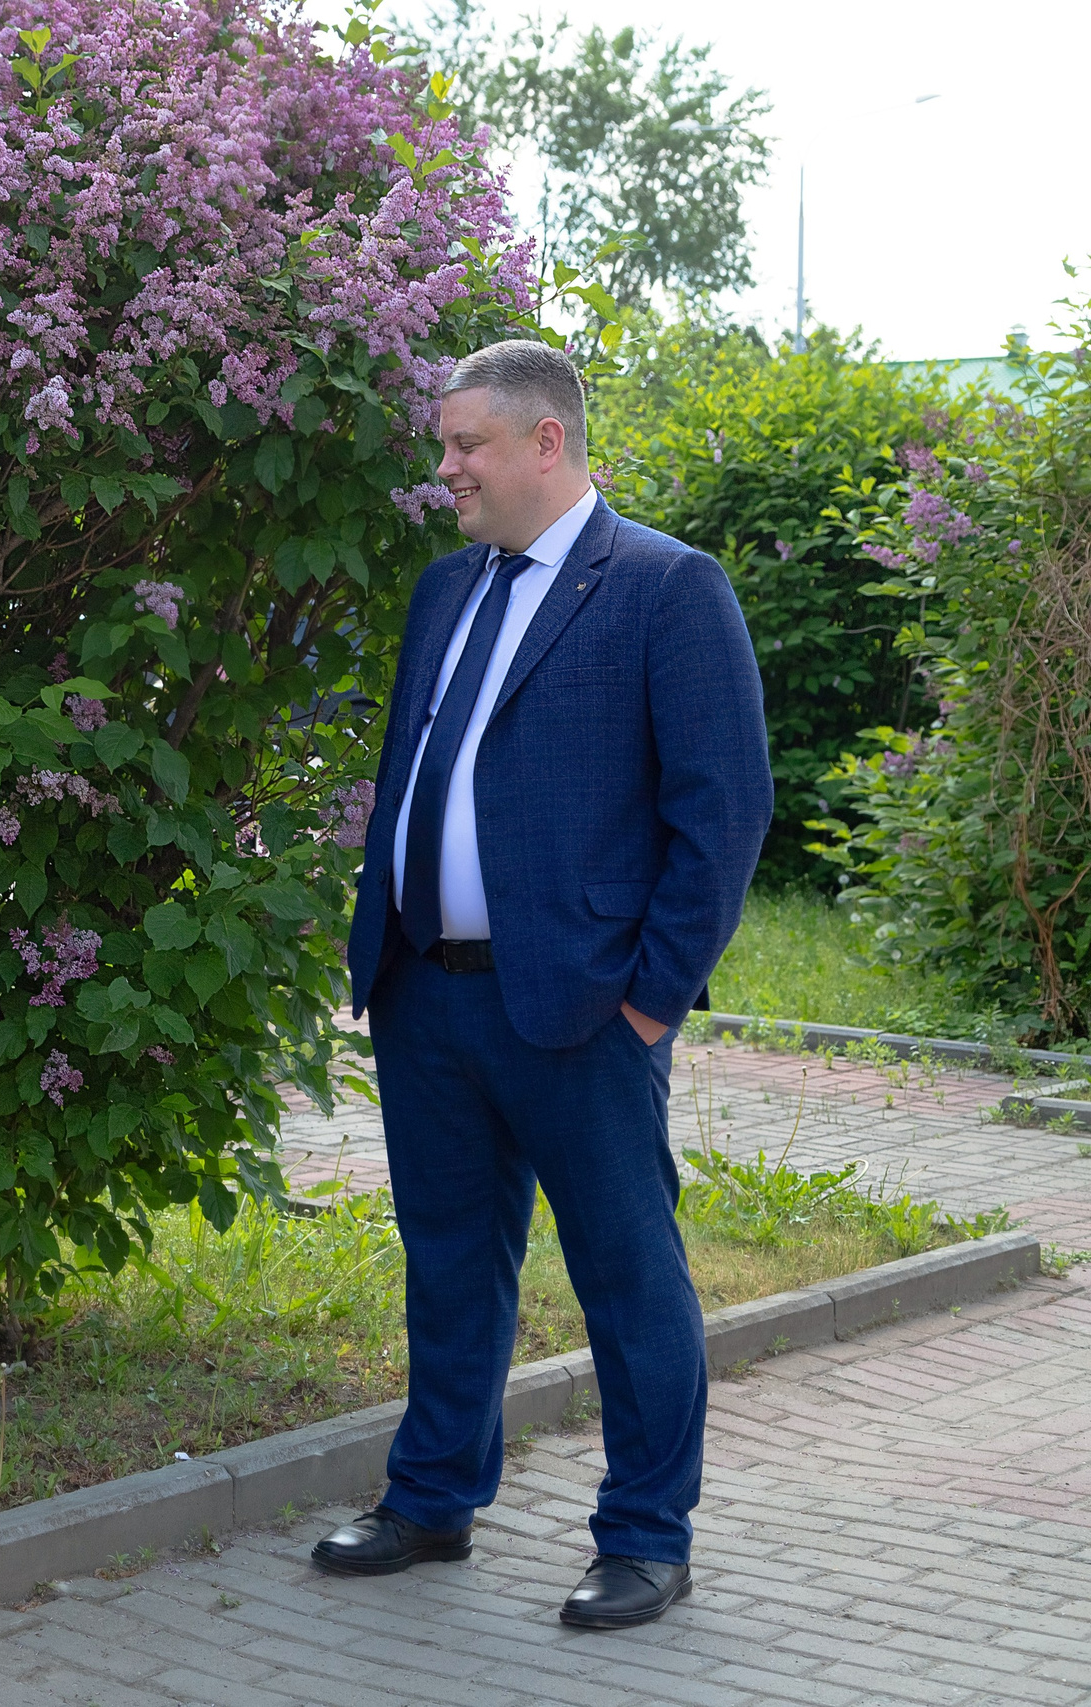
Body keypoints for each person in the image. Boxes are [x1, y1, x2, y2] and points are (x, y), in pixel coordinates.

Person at [320, 341, 772, 1627]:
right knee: (449, 1259)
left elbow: (723, 811)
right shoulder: (443, 591)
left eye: (464, 443)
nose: (445, 465)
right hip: (429, 997)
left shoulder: (666, 590)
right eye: (446, 442)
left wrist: (652, 998)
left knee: (627, 1272)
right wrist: (383, 949)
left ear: (544, 444)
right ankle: (431, 1499)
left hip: (581, 1009)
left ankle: (643, 1533)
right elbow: (421, 772)